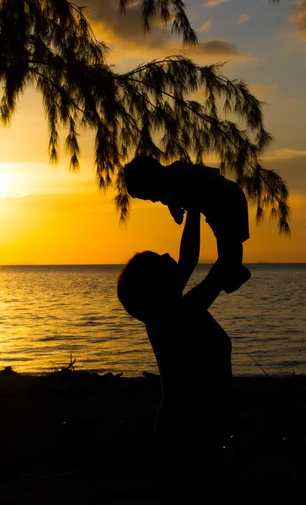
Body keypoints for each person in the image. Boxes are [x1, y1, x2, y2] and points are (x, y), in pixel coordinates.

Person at [117, 210, 233, 503]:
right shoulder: (175, 314)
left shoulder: (171, 308)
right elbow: (219, 271)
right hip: (186, 432)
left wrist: (194, 209)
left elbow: (190, 257)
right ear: (156, 284)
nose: (168, 254)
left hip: (191, 427)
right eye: (160, 258)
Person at [123, 156, 251, 294]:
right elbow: (173, 200)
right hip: (216, 208)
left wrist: (190, 200)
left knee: (228, 241)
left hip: (227, 198)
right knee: (226, 243)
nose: (153, 200)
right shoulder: (166, 189)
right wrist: (176, 211)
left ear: (152, 178)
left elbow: (197, 179)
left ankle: (235, 269)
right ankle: (233, 270)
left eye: (148, 194)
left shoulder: (176, 174)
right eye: (147, 198)